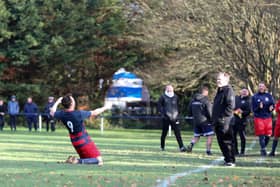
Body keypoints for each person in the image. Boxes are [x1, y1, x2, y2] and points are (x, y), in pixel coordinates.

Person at [50, 94, 111, 165]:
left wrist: (57, 102)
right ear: (72, 103)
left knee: (87, 160)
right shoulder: (78, 114)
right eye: (73, 99)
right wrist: (106, 107)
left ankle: (77, 161)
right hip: (83, 140)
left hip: (74, 141)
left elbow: (52, 112)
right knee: (99, 161)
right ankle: (76, 161)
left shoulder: (62, 114)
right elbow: (94, 112)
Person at [212, 72, 236, 167]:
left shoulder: (228, 90)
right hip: (218, 121)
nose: (218, 81)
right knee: (221, 141)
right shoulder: (219, 91)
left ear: (226, 80)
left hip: (225, 121)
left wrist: (223, 117)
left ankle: (231, 160)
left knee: (227, 141)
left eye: (220, 79)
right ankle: (227, 159)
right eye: (217, 79)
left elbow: (231, 106)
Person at [158, 85, 186, 152]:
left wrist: (178, 115)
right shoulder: (162, 97)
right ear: (166, 89)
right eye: (168, 89)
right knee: (164, 133)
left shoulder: (176, 97)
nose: (170, 90)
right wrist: (163, 115)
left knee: (178, 133)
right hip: (166, 118)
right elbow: (159, 107)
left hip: (175, 118)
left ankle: (181, 147)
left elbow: (178, 106)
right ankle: (162, 147)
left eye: (171, 89)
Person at [186, 86, 213, 155]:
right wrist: (212, 120)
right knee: (210, 136)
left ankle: (191, 144)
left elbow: (189, 110)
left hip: (196, 121)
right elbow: (209, 111)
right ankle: (208, 151)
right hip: (205, 121)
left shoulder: (193, 100)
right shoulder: (206, 100)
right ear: (205, 92)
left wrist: (192, 117)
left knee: (196, 136)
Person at [252, 82, 274, 156]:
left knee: (268, 135)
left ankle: (263, 147)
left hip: (268, 117)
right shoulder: (254, 96)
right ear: (258, 87)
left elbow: (272, 104)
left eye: (262, 86)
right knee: (261, 134)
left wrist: (272, 107)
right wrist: (259, 107)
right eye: (260, 86)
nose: (261, 87)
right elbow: (253, 109)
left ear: (265, 87)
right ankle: (263, 149)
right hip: (259, 117)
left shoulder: (269, 96)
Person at [232, 88, 251, 156]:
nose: (244, 92)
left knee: (242, 136)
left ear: (248, 93)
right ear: (240, 92)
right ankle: (235, 151)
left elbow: (249, 111)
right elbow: (232, 107)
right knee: (233, 136)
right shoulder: (236, 98)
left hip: (242, 121)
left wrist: (242, 112)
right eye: (243, 91)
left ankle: (242, 151)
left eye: (246, 91)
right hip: (234, 120)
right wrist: (234, 111)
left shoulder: (249, 100)